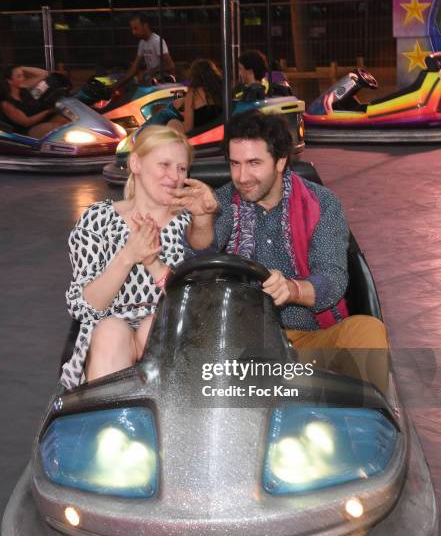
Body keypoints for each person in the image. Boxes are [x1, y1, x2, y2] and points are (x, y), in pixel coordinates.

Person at [171, 110, 389, 391]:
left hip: (309, 342)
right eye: (235, 164)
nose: (242, 176)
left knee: (367, 330)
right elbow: (200, 258)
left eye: (254, 163)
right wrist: (201, 219)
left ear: (281, 160)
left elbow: (333, 280)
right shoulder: (223, 200)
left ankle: (367, 426)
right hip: (241, 345)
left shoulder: (321, 203)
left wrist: (292, 289)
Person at [60, 125, 193, 390]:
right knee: (111, 331)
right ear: (136, 163)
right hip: (104, 333)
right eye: (164, 165)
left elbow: (191, 304)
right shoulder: (98, 220)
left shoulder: (190, 227)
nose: (174, 177)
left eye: (181, 168)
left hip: (168, 331)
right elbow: (84, 307)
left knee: (153, 328)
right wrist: (128, 256)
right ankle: (106, 421)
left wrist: (152, 263)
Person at [112, 13, 175, 91]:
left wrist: (149, 72)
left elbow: (170, 65)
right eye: (132, 29)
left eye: (136, 28)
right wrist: (116, 85)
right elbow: (134, 68)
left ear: (145, 25)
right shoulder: (142, 43)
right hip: (151, 77)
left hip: (161, 80)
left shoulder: (157, 41)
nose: (133, 32)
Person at [0, 66, 64, 138]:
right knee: (57, 128)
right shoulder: (6, 103)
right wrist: (47, 111)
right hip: (25, 131)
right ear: (9, 81)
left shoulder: (23, 88)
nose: (23, 78)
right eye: (19, 76)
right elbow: (27, 122)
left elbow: (44, 74)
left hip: (40, 121)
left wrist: (22, 68)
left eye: (23, 75)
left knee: (67, 120)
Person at [168, 58, 222, 133]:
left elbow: (188, 129)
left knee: (173, 122)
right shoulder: (222, 91)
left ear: (194, 75)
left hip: (199, 137)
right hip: (219, 133)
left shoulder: (193, 93)